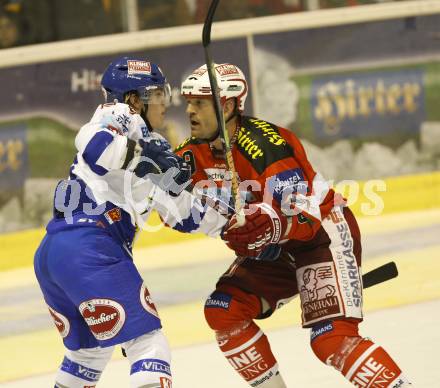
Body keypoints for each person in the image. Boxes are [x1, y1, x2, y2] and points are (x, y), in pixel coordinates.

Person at [33, 57, 283, 388]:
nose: (165, 104)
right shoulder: (118, 116)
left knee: (87, 354)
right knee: (148, 343)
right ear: (133, 99)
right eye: (156, 95)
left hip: (54, 255)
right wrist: (147, 159)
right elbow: (95, 148)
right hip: (89, 248)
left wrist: (234, 227)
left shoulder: (153, 144)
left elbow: (182, 213)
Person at [177, 63, 413, 387]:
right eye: (188, 101)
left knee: (331, 338)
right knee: (223, 310)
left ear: (227, 105)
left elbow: (306, 217)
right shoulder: (190, 154)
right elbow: (176, 214)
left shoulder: (265, 145)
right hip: (276, 249)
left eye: (200, 102)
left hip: (320, 236)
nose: (190, 110)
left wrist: (271, 226)